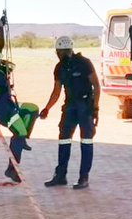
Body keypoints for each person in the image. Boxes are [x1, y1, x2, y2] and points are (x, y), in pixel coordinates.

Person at [0, 14, 39, 183]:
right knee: (18, 132)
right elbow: (0, 45)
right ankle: (12, 169)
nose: (0, 60)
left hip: (7, 104)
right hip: (1, 109)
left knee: (32, 109)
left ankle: (21, 140)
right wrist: (1, 27)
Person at [40, 36, 100, 190]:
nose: (60, 54)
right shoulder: (59, 68)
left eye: (61, 52)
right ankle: (60, 176)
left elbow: (96, 85)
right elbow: (56, 91)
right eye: (59, 52)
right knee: (64, 139)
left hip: (85, 106)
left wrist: (95, 108)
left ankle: (83, 178)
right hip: (70, 106)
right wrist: (47, 108)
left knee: (86, 141)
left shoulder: (84, 63)